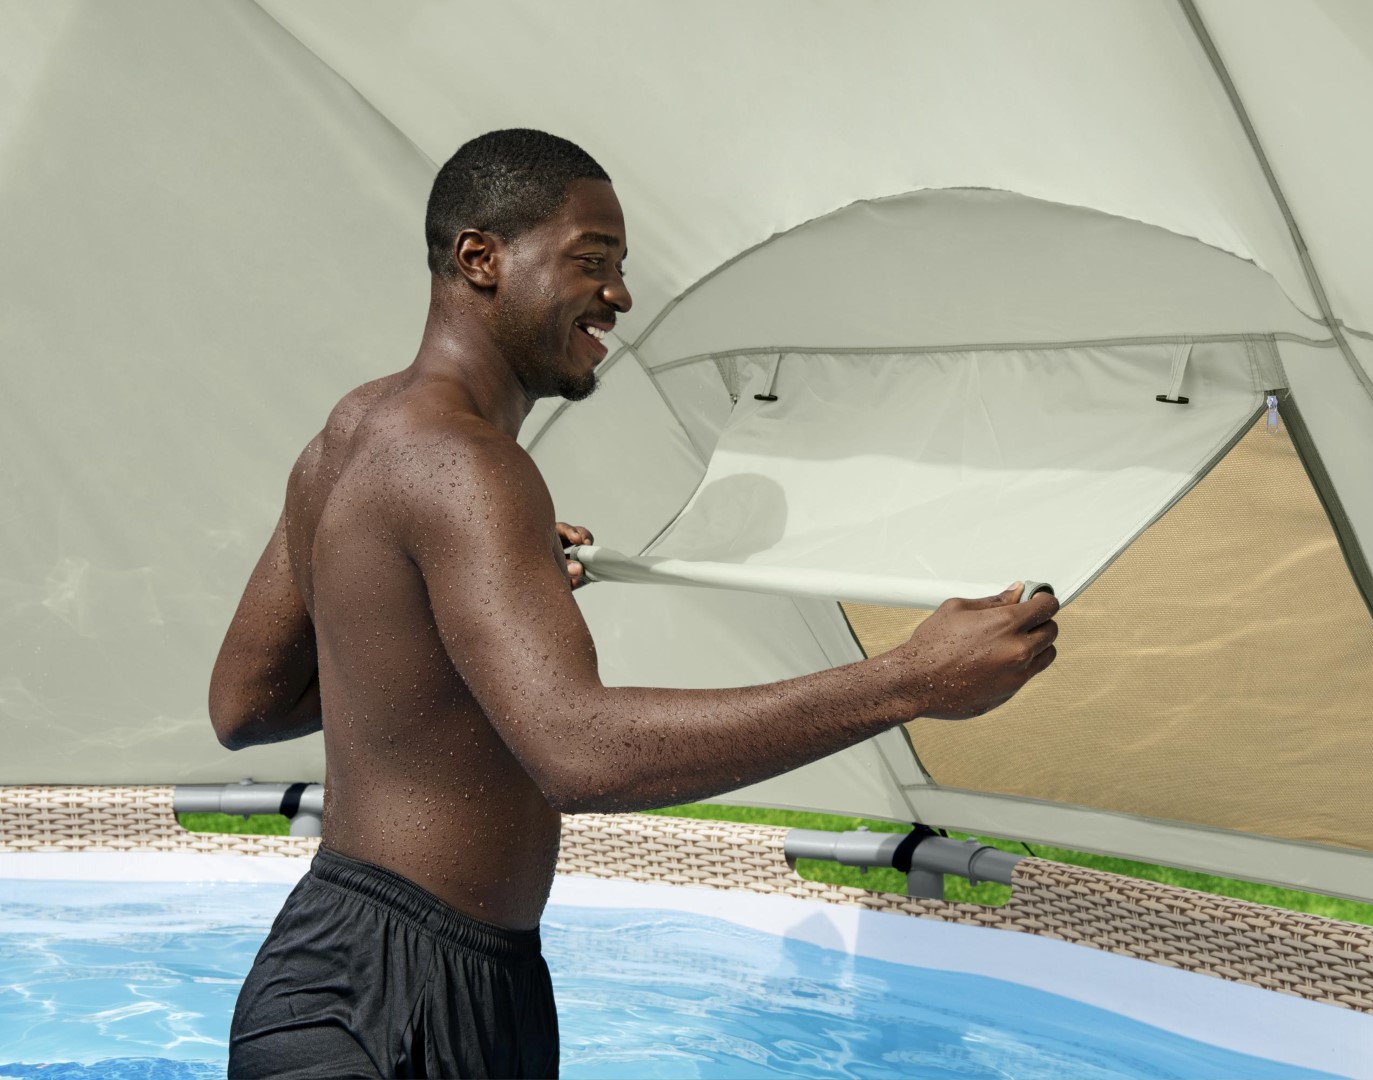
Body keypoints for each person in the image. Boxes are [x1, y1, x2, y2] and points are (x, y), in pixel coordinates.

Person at [210, 128, 1059, 1079]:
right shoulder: (470, 466)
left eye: (621, 268)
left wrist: (449, 620)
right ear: (480, 258)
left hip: (375, 971)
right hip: (389, 999)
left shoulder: (355, 431)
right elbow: (580, 755)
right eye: (592, 261)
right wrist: (909, 682)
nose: (618, 294)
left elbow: (247, 705)